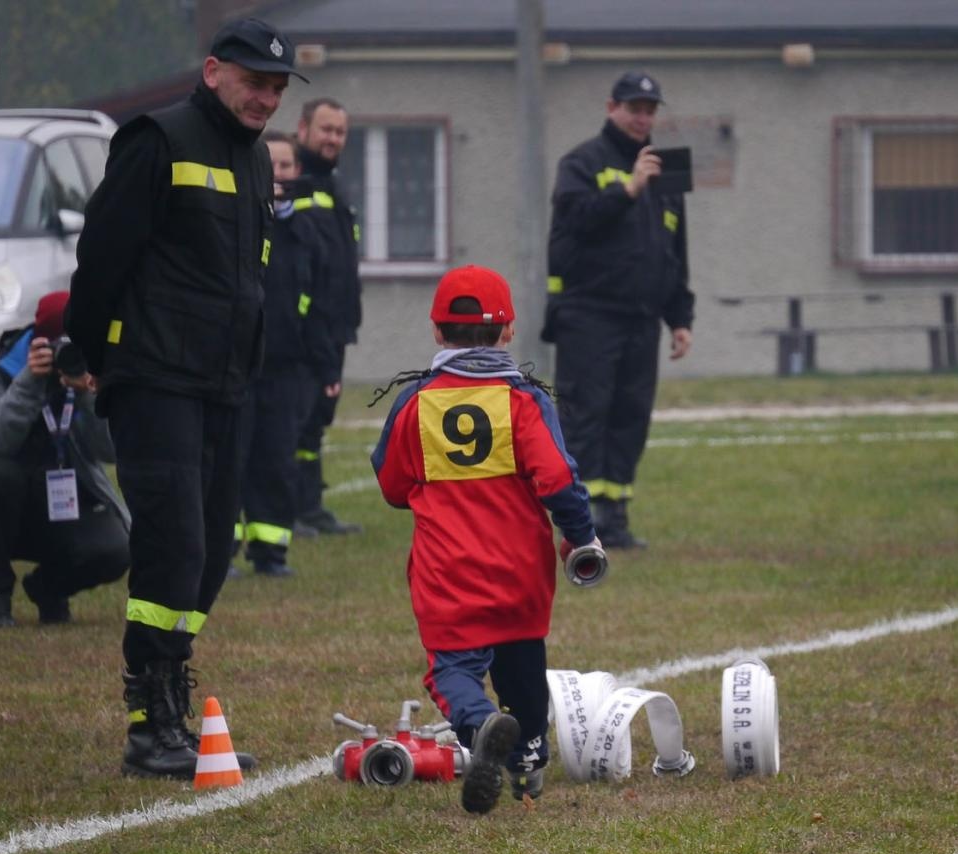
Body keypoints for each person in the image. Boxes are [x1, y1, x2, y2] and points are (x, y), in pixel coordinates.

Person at [65, 16, 304, 777]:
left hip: (225, 383)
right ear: (212, 72)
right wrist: (91, 350)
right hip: (156, 376)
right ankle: (149, 718)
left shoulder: (259, 161)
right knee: (174, 547)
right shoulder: (157, 140)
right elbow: (103, 252)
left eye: (275, 87)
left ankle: (173, 680)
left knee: (207, 554)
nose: (265, 97)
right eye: (253, 81)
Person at [371, 266, 603, 814]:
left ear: (435, 332)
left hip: (447, 572)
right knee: (523, 659)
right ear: (508, 333)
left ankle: (480, 727)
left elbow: (391, 484)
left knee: (452, 669)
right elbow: (559, 481)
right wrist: (582, 535)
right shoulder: (522, 401)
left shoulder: (415, 402)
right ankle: (527, 758)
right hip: (521, 570)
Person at [544, 69, 694, 548]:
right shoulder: (581, 162)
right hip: (588, 315)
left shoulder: (666, 169)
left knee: (631, 417)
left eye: (650, 111)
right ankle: (581, 525)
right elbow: (575, 223)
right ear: (612, 108)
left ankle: (616, 520)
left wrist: (681, 317)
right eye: (634, 109)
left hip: (642, 317)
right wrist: (627, 190)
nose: (642, 118)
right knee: (586, 416)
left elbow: (674, 250)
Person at [0, 290, 129, 624]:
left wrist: (88, 395)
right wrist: (28, 382)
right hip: (1, 507)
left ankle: (50, 588)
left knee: (117, 549)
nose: (63, 354)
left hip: (65, 502)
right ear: (37, 342)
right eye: (57, 345)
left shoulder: (93, 368)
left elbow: (110, 451)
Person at [234, 132, 339, 577]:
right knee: (229, 460)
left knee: (277, 460)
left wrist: (327, 365)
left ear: (298, 172)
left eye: (286, 166)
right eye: (270, 165)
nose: (279, 174)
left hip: (287, 369)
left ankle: (270, 551)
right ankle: (221, 554)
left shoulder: (309, 232)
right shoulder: (237, 223)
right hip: (237, 367)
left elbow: (323, 304)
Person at [291, 97, 363, 536]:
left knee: (316, 421)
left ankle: (309, 504)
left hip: (334, 327)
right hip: (302, 330)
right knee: (292, 421)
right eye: (326, 129)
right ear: (303, 129)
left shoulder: (333, 186)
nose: (333, 138)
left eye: (339, 132)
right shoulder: (291, 181)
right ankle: (285, 509)